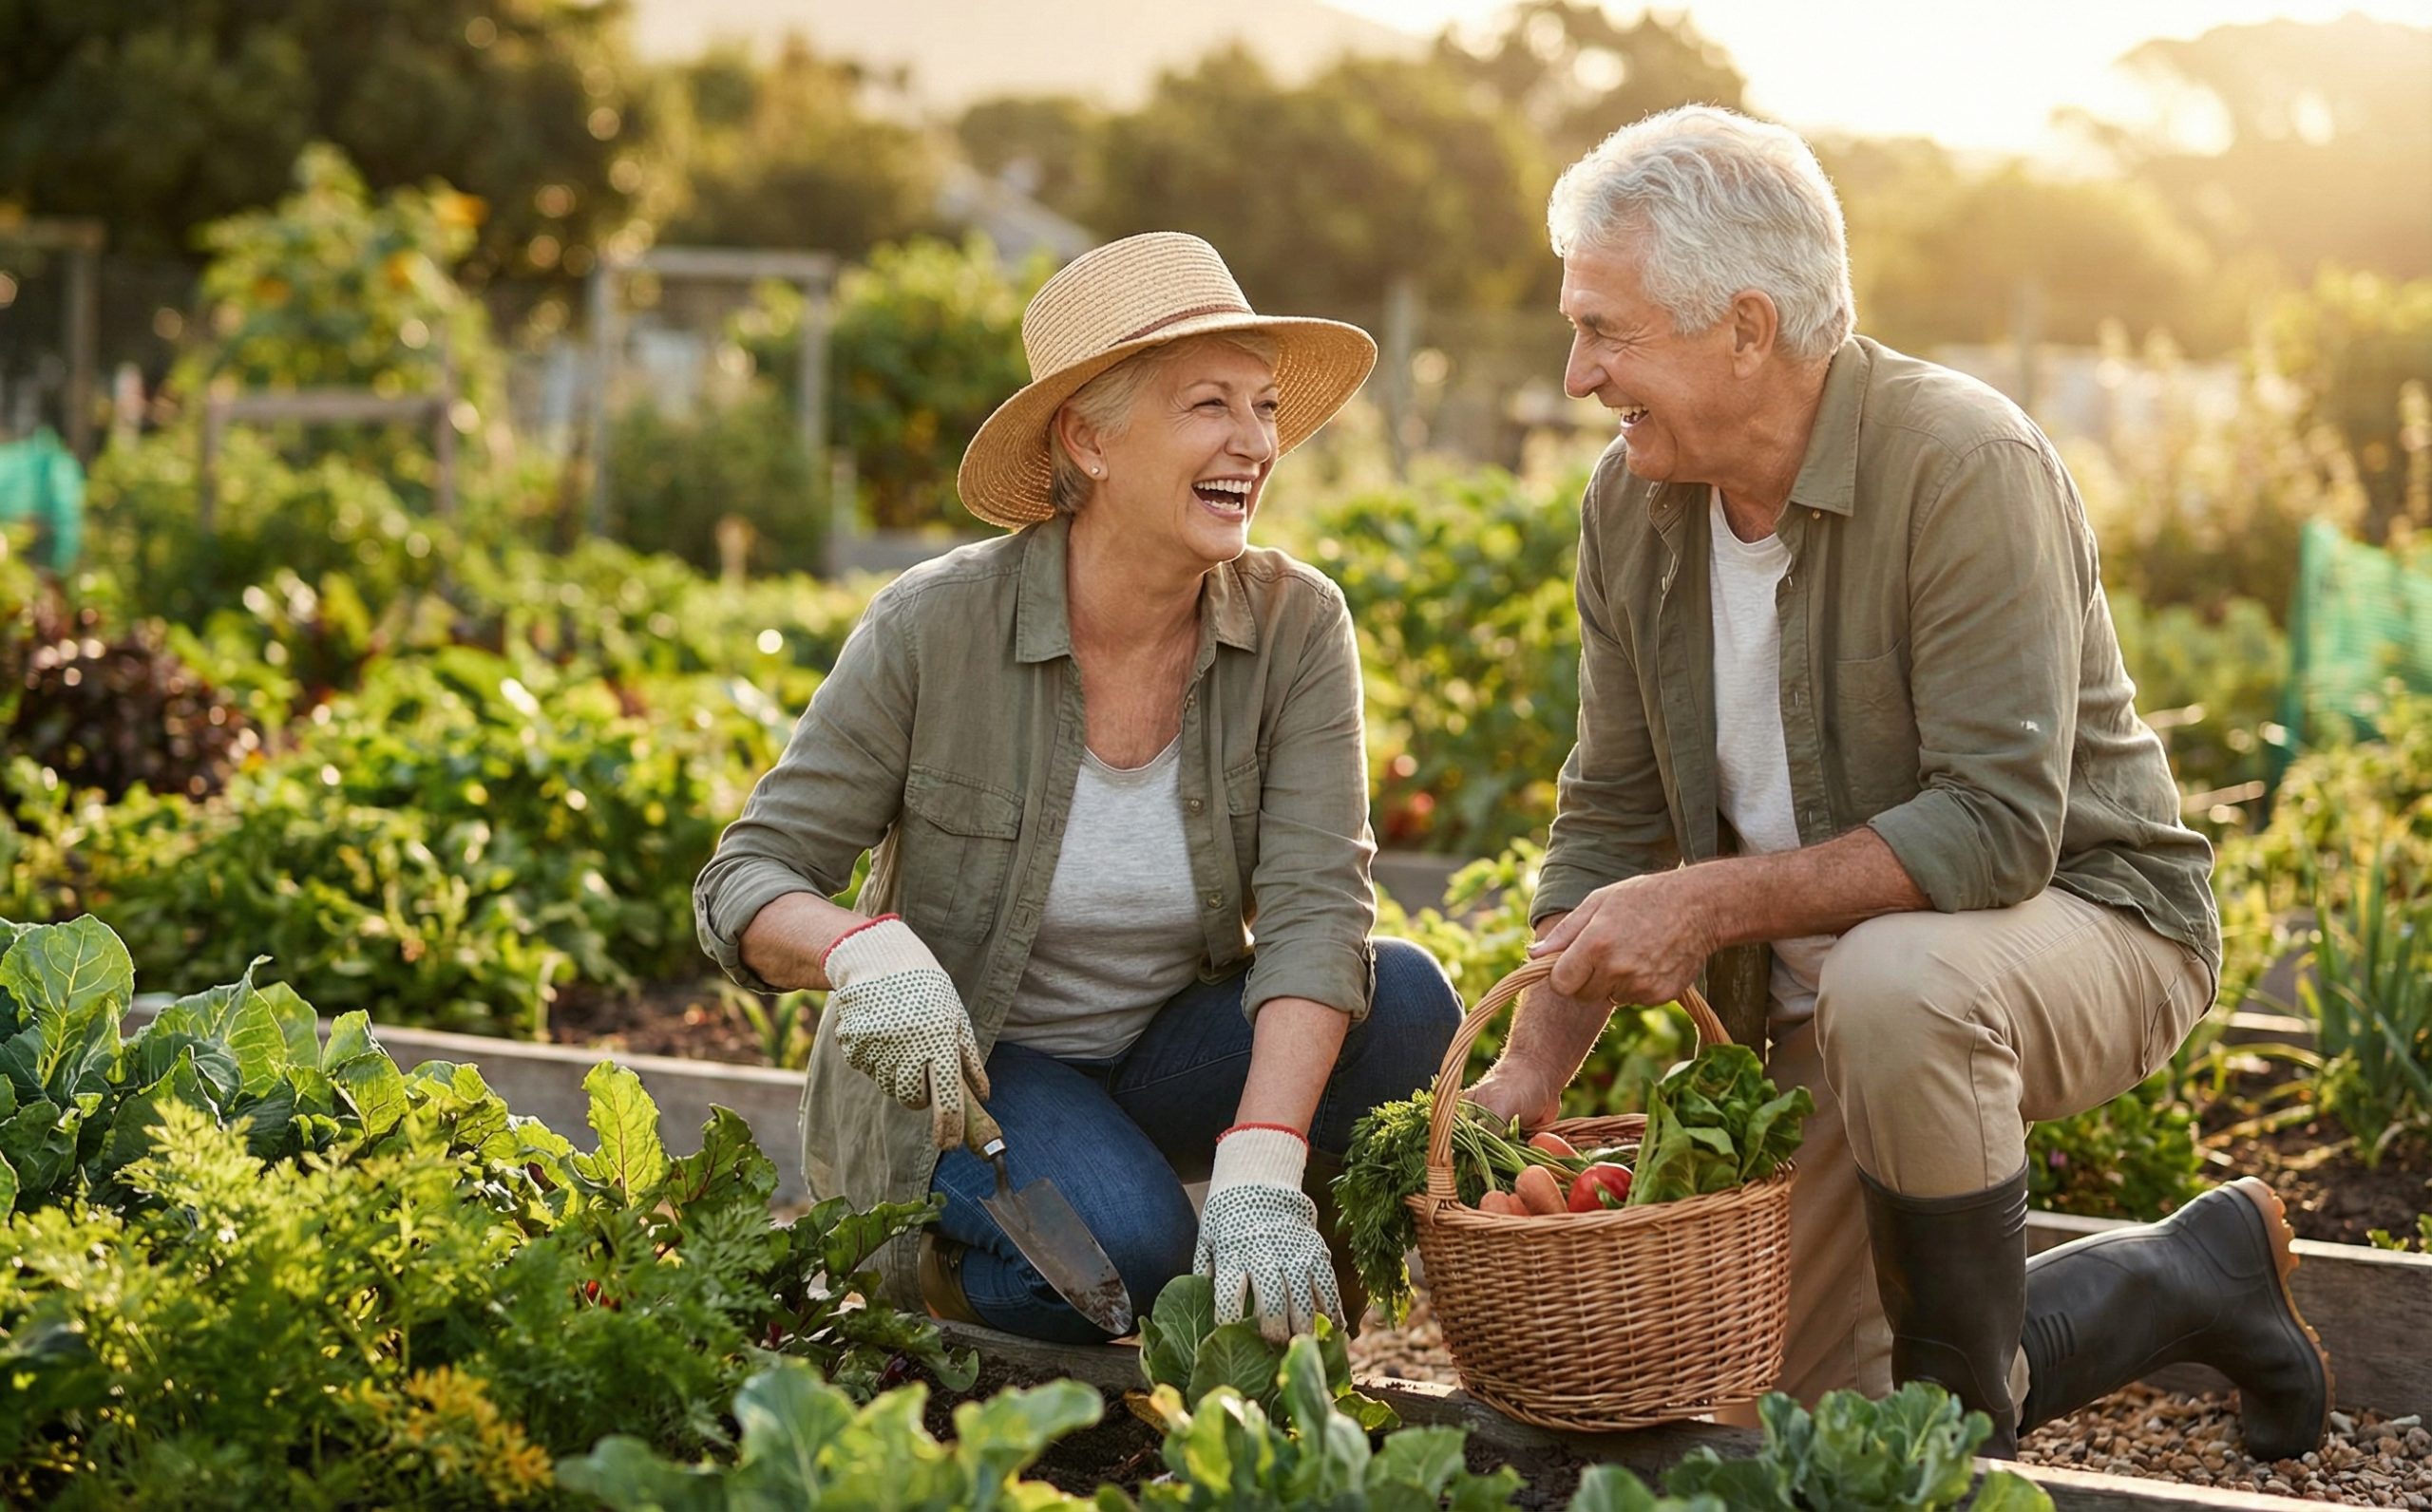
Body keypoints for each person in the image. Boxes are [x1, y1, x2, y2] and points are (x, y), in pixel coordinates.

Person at [1466, 106, 2330, 1459]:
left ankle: (1964, 1447)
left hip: (2094, 922)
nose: (1578, 374)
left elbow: (1997, 826)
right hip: (1831, 1012)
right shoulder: (1631, 508)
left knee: (1895, 984)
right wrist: (1529, 1066)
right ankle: (2183, 1277)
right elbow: (1616, 809)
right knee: (1814, 1425)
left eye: (1608, 332)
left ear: (1748, 329)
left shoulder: (1963, 463)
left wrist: (1704, 906)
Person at [694, 232, 1462, 1346]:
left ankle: (1284, 1317)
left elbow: (1315, 908)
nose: (1254, 441)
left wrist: (1259, 1163)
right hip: (974, 1077)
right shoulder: (936, 626)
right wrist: (856, 949)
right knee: (1135, 1259)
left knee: (1405, 1004)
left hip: (1160, 1054)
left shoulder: (1295, 624)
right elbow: (745, 875)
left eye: (1262, 407)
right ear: (1088, 440)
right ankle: (948, 1279)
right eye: (1209, 404)